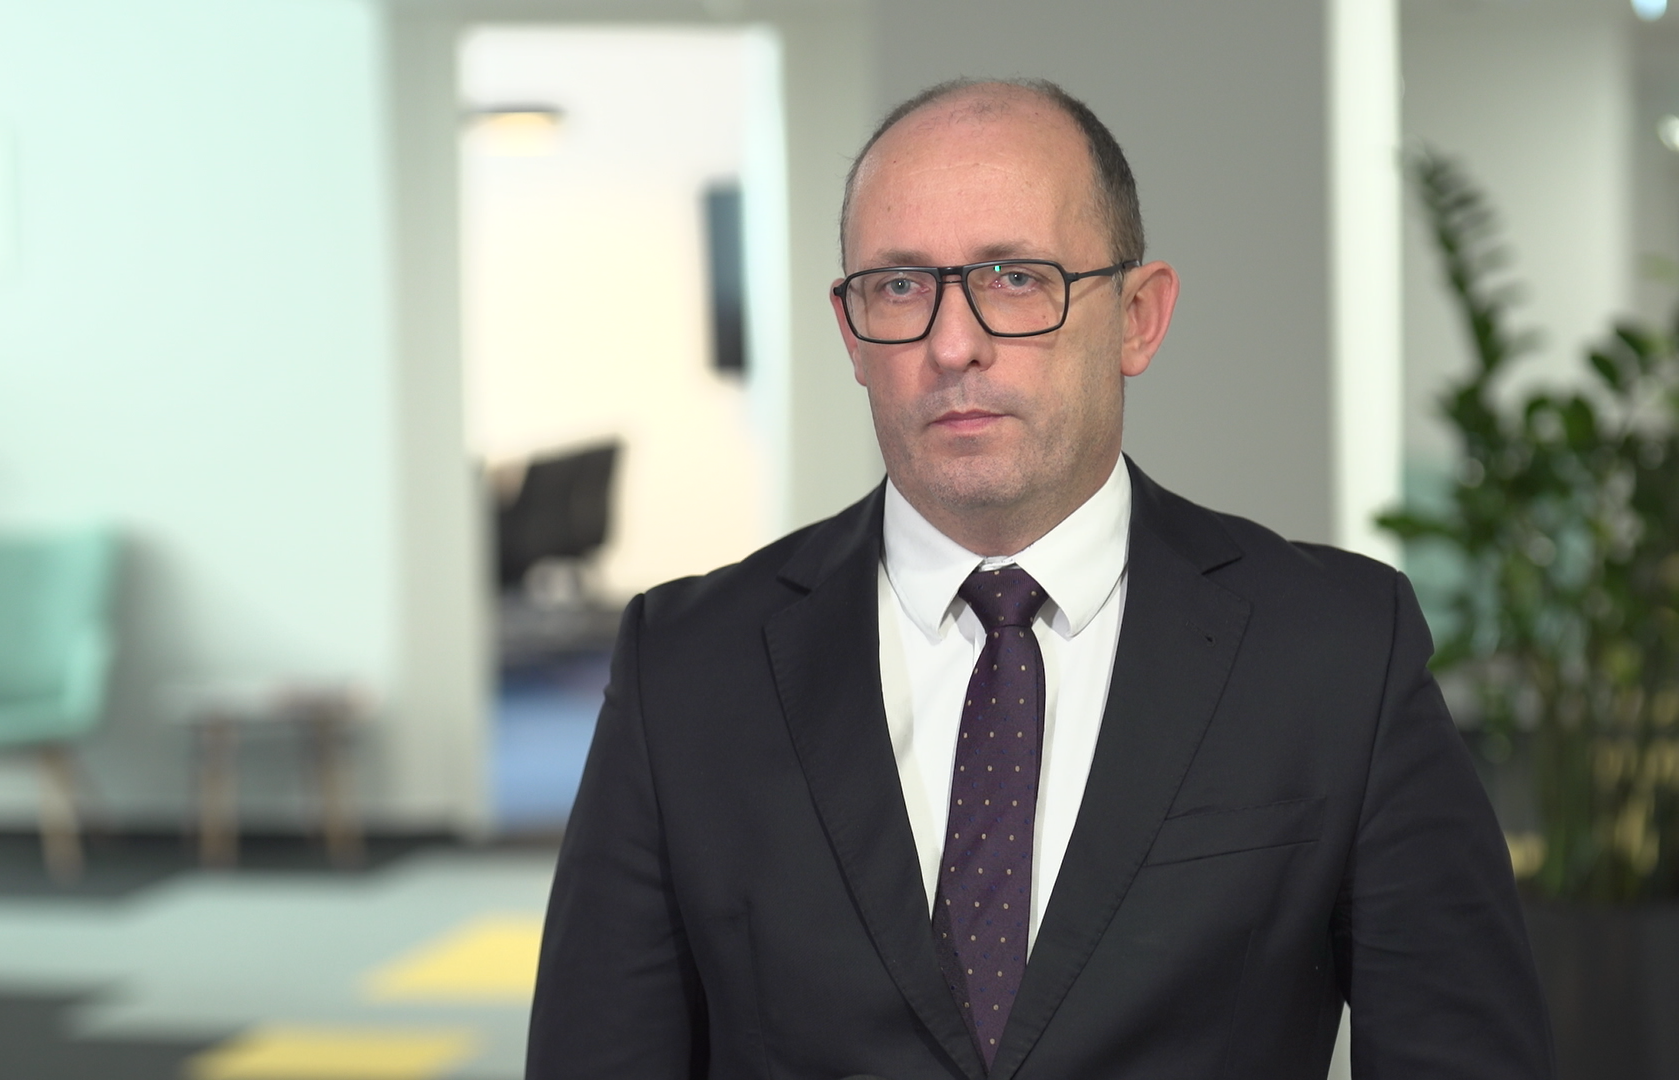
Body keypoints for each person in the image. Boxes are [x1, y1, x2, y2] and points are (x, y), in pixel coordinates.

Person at [526, 78, 1552, 1080]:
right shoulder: (686, 669)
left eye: (1016, 277)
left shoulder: (1337, 652)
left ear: (1139, 318)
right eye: (899, 286)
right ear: (851, 335)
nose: (953, 344)